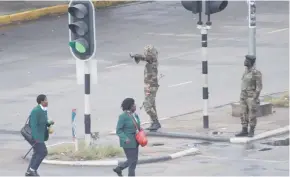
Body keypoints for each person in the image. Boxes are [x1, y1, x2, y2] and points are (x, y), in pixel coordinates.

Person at [130, 45, 161, 131]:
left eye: (147, 52)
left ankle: (155, 122)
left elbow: (146, 58)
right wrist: (137, 56)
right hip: (149, 86)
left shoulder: (152, 61)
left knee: (147, 106)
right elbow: (145, 58)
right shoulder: (152, 61)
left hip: (151, 87)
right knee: (152, 106)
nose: (146, 54)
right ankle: (154, 123)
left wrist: (137, 56)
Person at [25, 94, 54, 176]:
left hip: (40, 136)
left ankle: (29, 172)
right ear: (41, 102)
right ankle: (32, 169)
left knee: (37, 152)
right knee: (43, 152)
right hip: (36, 137)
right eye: (46, 100)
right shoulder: (36, 111)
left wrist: (49, 123)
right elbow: (33, 125)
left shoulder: (44, 110)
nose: (47, 101)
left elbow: (43, 123)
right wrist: (36, 138)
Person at [235, 55, 263, 137]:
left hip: (251, 97)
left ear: (251, 62)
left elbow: (259, 87)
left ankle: (251, 130)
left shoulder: (256, 73)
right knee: (243, 113)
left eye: (247, 60)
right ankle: (244, 130)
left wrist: (255, 97)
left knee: (252, 114)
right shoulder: (245, 71)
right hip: (243, 96)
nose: (245, 61)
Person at [113, 98, 141, 177]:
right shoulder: (123, 116)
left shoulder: (134, 115)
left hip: (136, 141)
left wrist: (140, 130)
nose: (135, 106)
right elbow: (118, 130)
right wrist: (125, 138)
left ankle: (119, 168)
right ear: (130, 106)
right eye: (133, 105)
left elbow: (137, 126)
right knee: (132, 161)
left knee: (134, 161)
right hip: (128, 142)